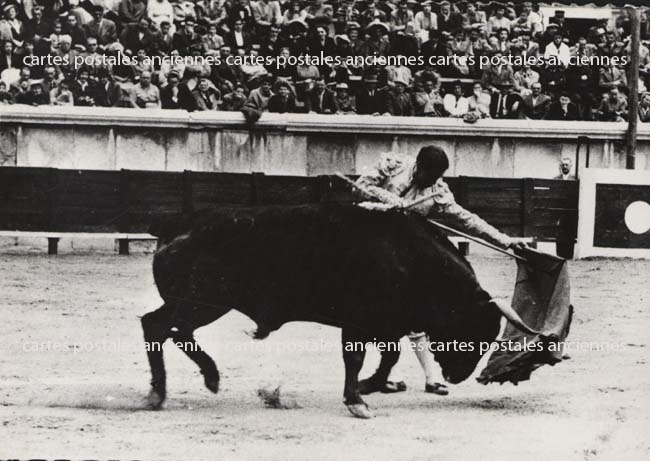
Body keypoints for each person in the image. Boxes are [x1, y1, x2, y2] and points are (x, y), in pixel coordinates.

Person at [355, 146, 526, 395]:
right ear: (419, 167)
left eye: (437, 178)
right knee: (380, 314)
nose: (433, 183)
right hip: (371, 247)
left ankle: (431, 376)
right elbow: (359, 187)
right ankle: (392, 374)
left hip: (404, 257)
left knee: (414, 314)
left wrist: (505, 240)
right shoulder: (393, 165)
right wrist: (389, 199)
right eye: (430, 177)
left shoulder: (437, 191)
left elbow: (467, 219)